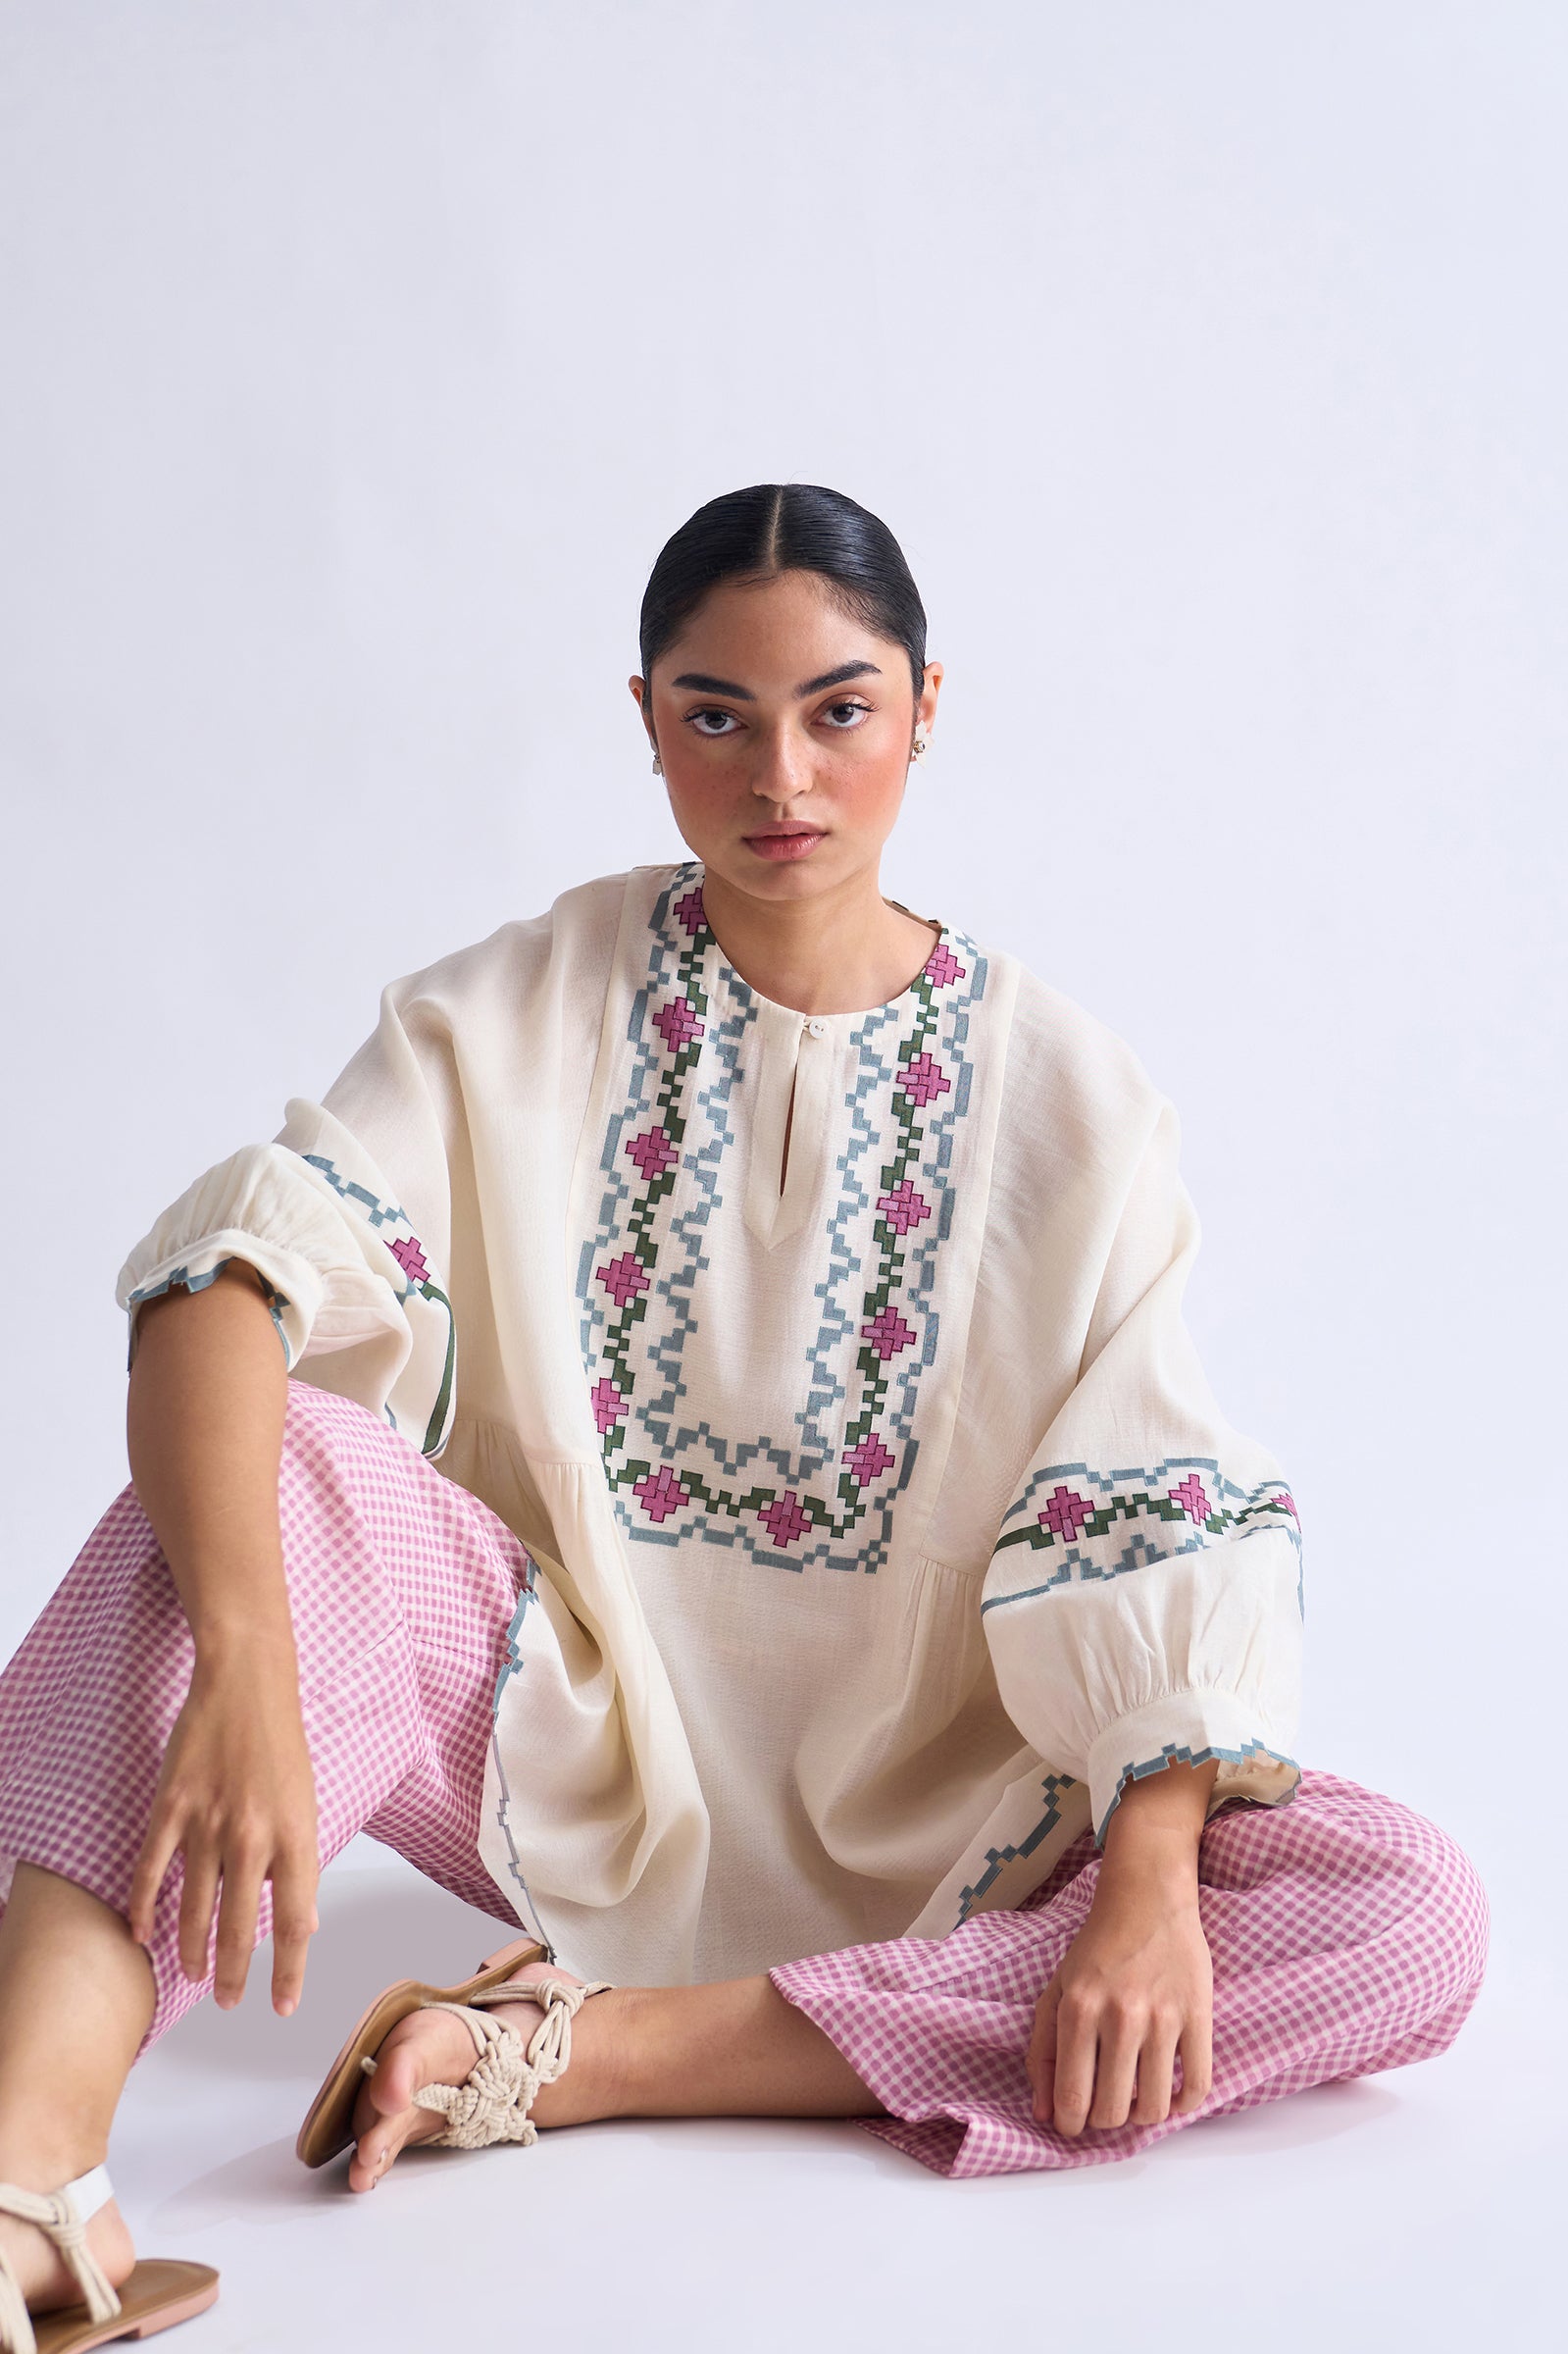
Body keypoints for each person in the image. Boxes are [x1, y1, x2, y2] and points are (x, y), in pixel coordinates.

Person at [0, 485, 1488, 2341]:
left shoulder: (1073, 1097)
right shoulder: (518, 1009)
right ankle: (28, 2171)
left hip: (976, 1823)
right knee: (259, 1466)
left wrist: (1153, 1878)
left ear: (927, 706)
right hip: (568, 1753)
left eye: (839, 710)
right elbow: (229, 1282)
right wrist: (245, 1658)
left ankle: (580, 2055)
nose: (781, 775)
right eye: (718, 715)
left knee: (1402, 1909)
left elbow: (1147, 1499)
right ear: (645, 720)